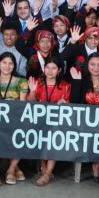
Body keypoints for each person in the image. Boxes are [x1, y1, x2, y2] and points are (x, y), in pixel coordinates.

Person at [69, 53, 99, 182]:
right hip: (85, 123)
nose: (96, 68)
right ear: (87, 65)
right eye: (92, 64)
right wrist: (76, 82)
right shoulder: (82, 78)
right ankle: (96, 164)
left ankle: (97, 165)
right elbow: (74, 102)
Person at [27, 57, 71, 186]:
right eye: (47, 67)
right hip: (39, 122)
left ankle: (47, 173)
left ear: (59, 70)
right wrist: (32, 91)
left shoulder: (65, 86)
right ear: (43, 68)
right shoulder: (38, 83)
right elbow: (30, 104)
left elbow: (68, 108)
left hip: (57, 123)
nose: (50, 71)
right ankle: (44, 168)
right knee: (40, 134)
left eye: (54, 68)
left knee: (54, 135)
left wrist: (65, 103)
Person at [0, 53, 29, 184]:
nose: (7, 66)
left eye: (10, 63)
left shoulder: (22, 82)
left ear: (14, 66)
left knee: (22, 134)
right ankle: (16, 168)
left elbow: (23, 105)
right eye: (4, 62)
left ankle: (11, 169)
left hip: (16, 118)